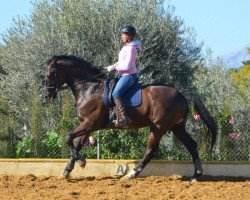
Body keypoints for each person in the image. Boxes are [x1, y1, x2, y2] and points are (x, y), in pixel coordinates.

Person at [106, 25, 142, 127]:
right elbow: (121, 61)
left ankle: (124, 118)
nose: (121, 36)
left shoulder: (131, 49)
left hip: (129, 76)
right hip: (123, 76)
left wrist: (114, 68)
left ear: (129, 36)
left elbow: (127, 66)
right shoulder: (126, 47)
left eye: (123, 34)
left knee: (116, 93)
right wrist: (112, 65)